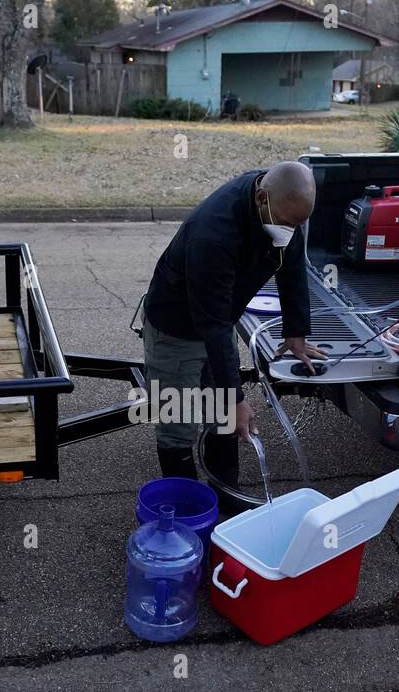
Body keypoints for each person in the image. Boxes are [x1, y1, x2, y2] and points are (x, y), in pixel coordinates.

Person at [138, 160, 326, 498]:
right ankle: (185, 508)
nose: (290, 230)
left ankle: (227, 494)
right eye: (286, 222)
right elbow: (214, 325)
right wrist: (235, 400)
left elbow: (292, 265)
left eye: (298, 224)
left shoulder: (282, 212)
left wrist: (295, 332)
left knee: (223, 416)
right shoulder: (212, 233)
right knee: (178, 421)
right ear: (261, 198)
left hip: (218, 319)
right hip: (176, 327)